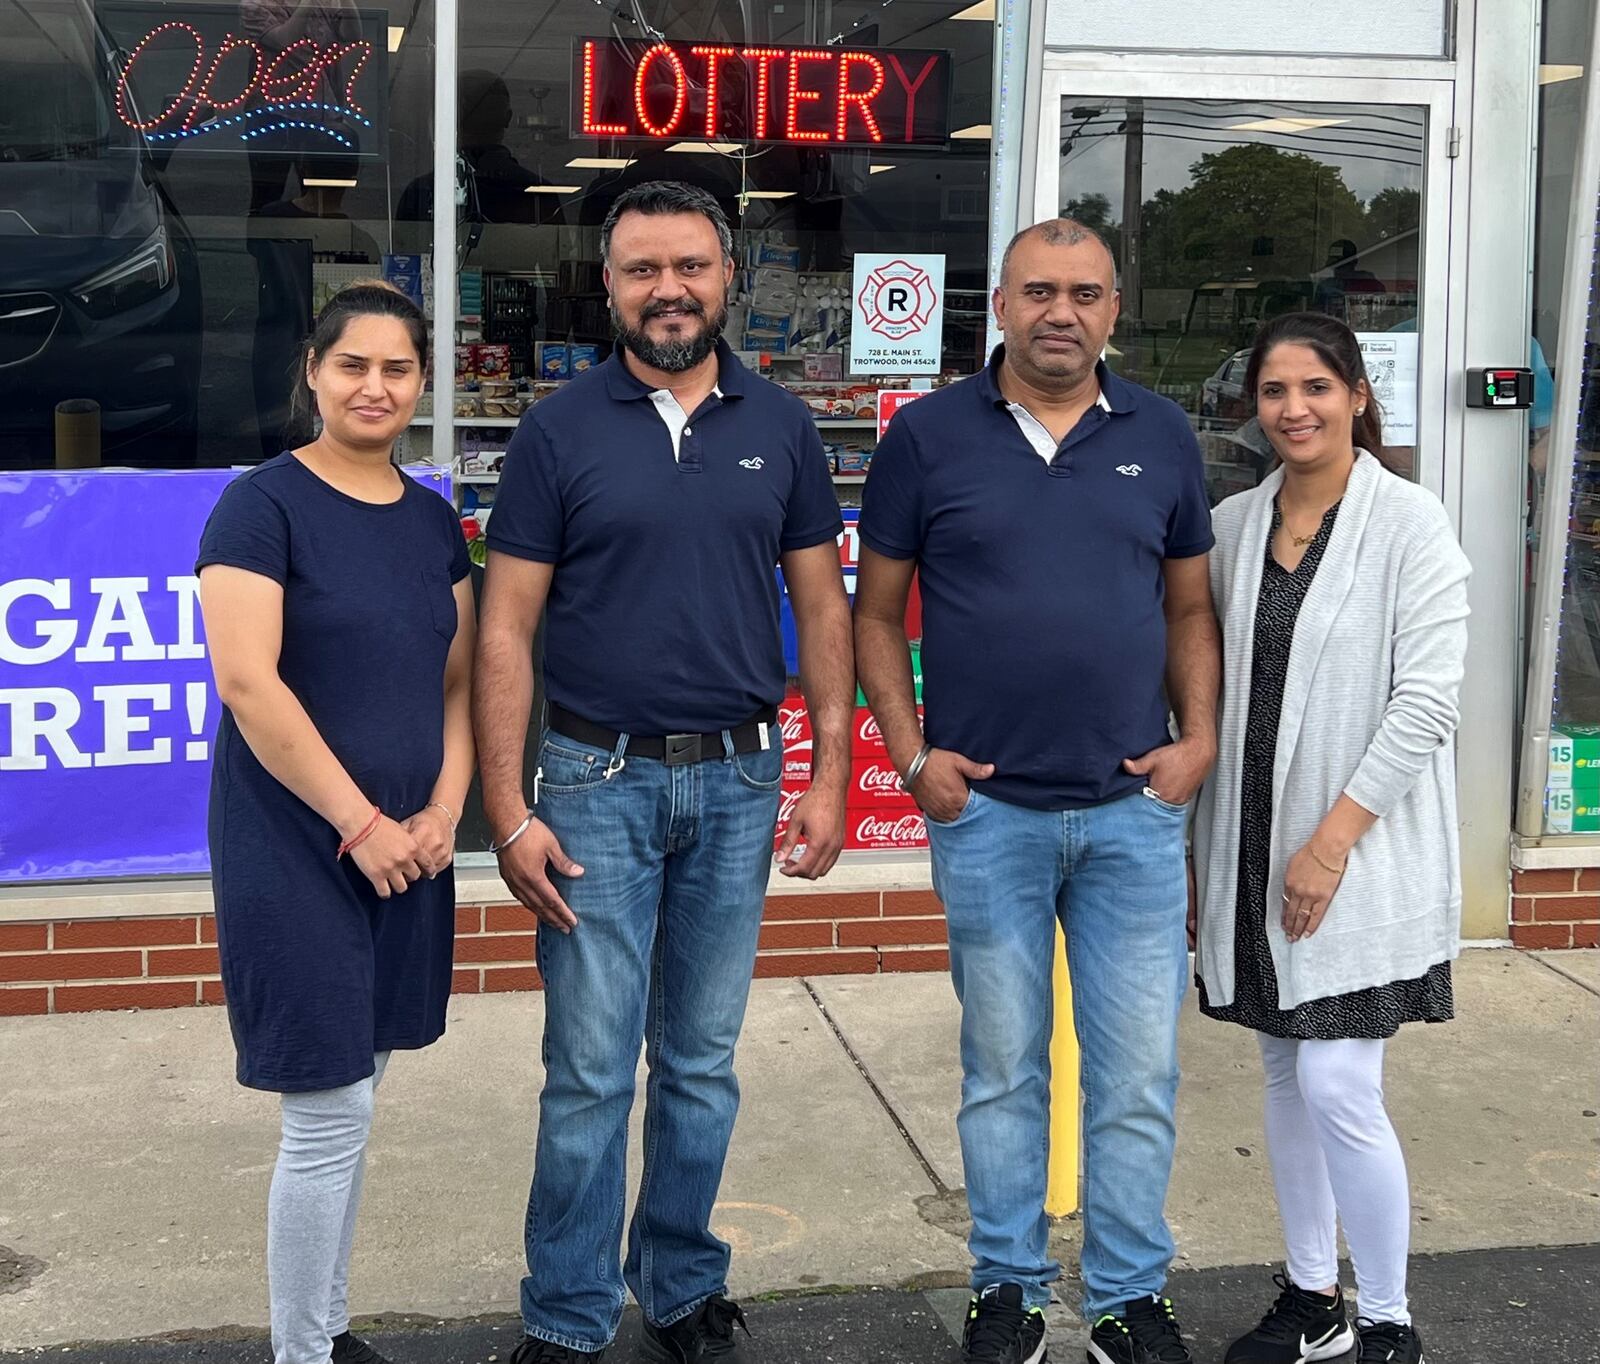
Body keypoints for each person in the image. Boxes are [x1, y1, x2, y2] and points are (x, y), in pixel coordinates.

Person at [473, 180, 854, 1364]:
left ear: (725, 277)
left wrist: (831, 766)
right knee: (588, 1068)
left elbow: (820, 604)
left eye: (688, 265)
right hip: (594, 779)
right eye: (642, 269)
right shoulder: (556, 429)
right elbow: (503, 628)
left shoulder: (781, 425)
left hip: (739, 782)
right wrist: (506, 808)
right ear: (610, 285)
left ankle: (682, 1287)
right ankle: (569, 1312)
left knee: (698, 1061)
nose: (668, 289)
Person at [854, 218, 1221, 1364]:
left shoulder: (1161, 435)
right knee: (1001, 1067)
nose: (1061, 313)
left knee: (1136, 1073)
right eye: (1039, 292)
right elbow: (873, 615)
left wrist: (1196, 740)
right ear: (999, 307)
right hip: (992, 817)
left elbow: (1188, 609)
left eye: (1086, 293)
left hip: (1130, 816)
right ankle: (1005, 1286)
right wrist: (914, 758)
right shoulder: (925, 439)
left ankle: (1125, 1295)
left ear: (1115, 309)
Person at [196, 281, 476, 1364]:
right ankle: (301, 1352)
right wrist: (364, 823)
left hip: (411, 845)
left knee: (361, 1096)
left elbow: (455, 684)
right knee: (327, 1110)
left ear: (420, 383)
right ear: (313, 372)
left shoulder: (431, 521)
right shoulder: (261, 505)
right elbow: (249, 683)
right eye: (352, 364)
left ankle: (330, 1326)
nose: (374, 385)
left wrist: (447, 810)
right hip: (300, 844)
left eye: (396, 368)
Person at [1193, 311, 1469, 1364]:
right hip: (1249, 847)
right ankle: (1312, 1296)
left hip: (1354, 851)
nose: (1293, 409)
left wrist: (1333, 840)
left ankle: (1389, 1317)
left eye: (1315, 387)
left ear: (1356, 392)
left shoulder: (1409, 523)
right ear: (1251, 406)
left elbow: (1427, 701)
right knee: (1281, 1074)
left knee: (1339, 1084)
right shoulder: (1232, 524)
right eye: (1273, 391)